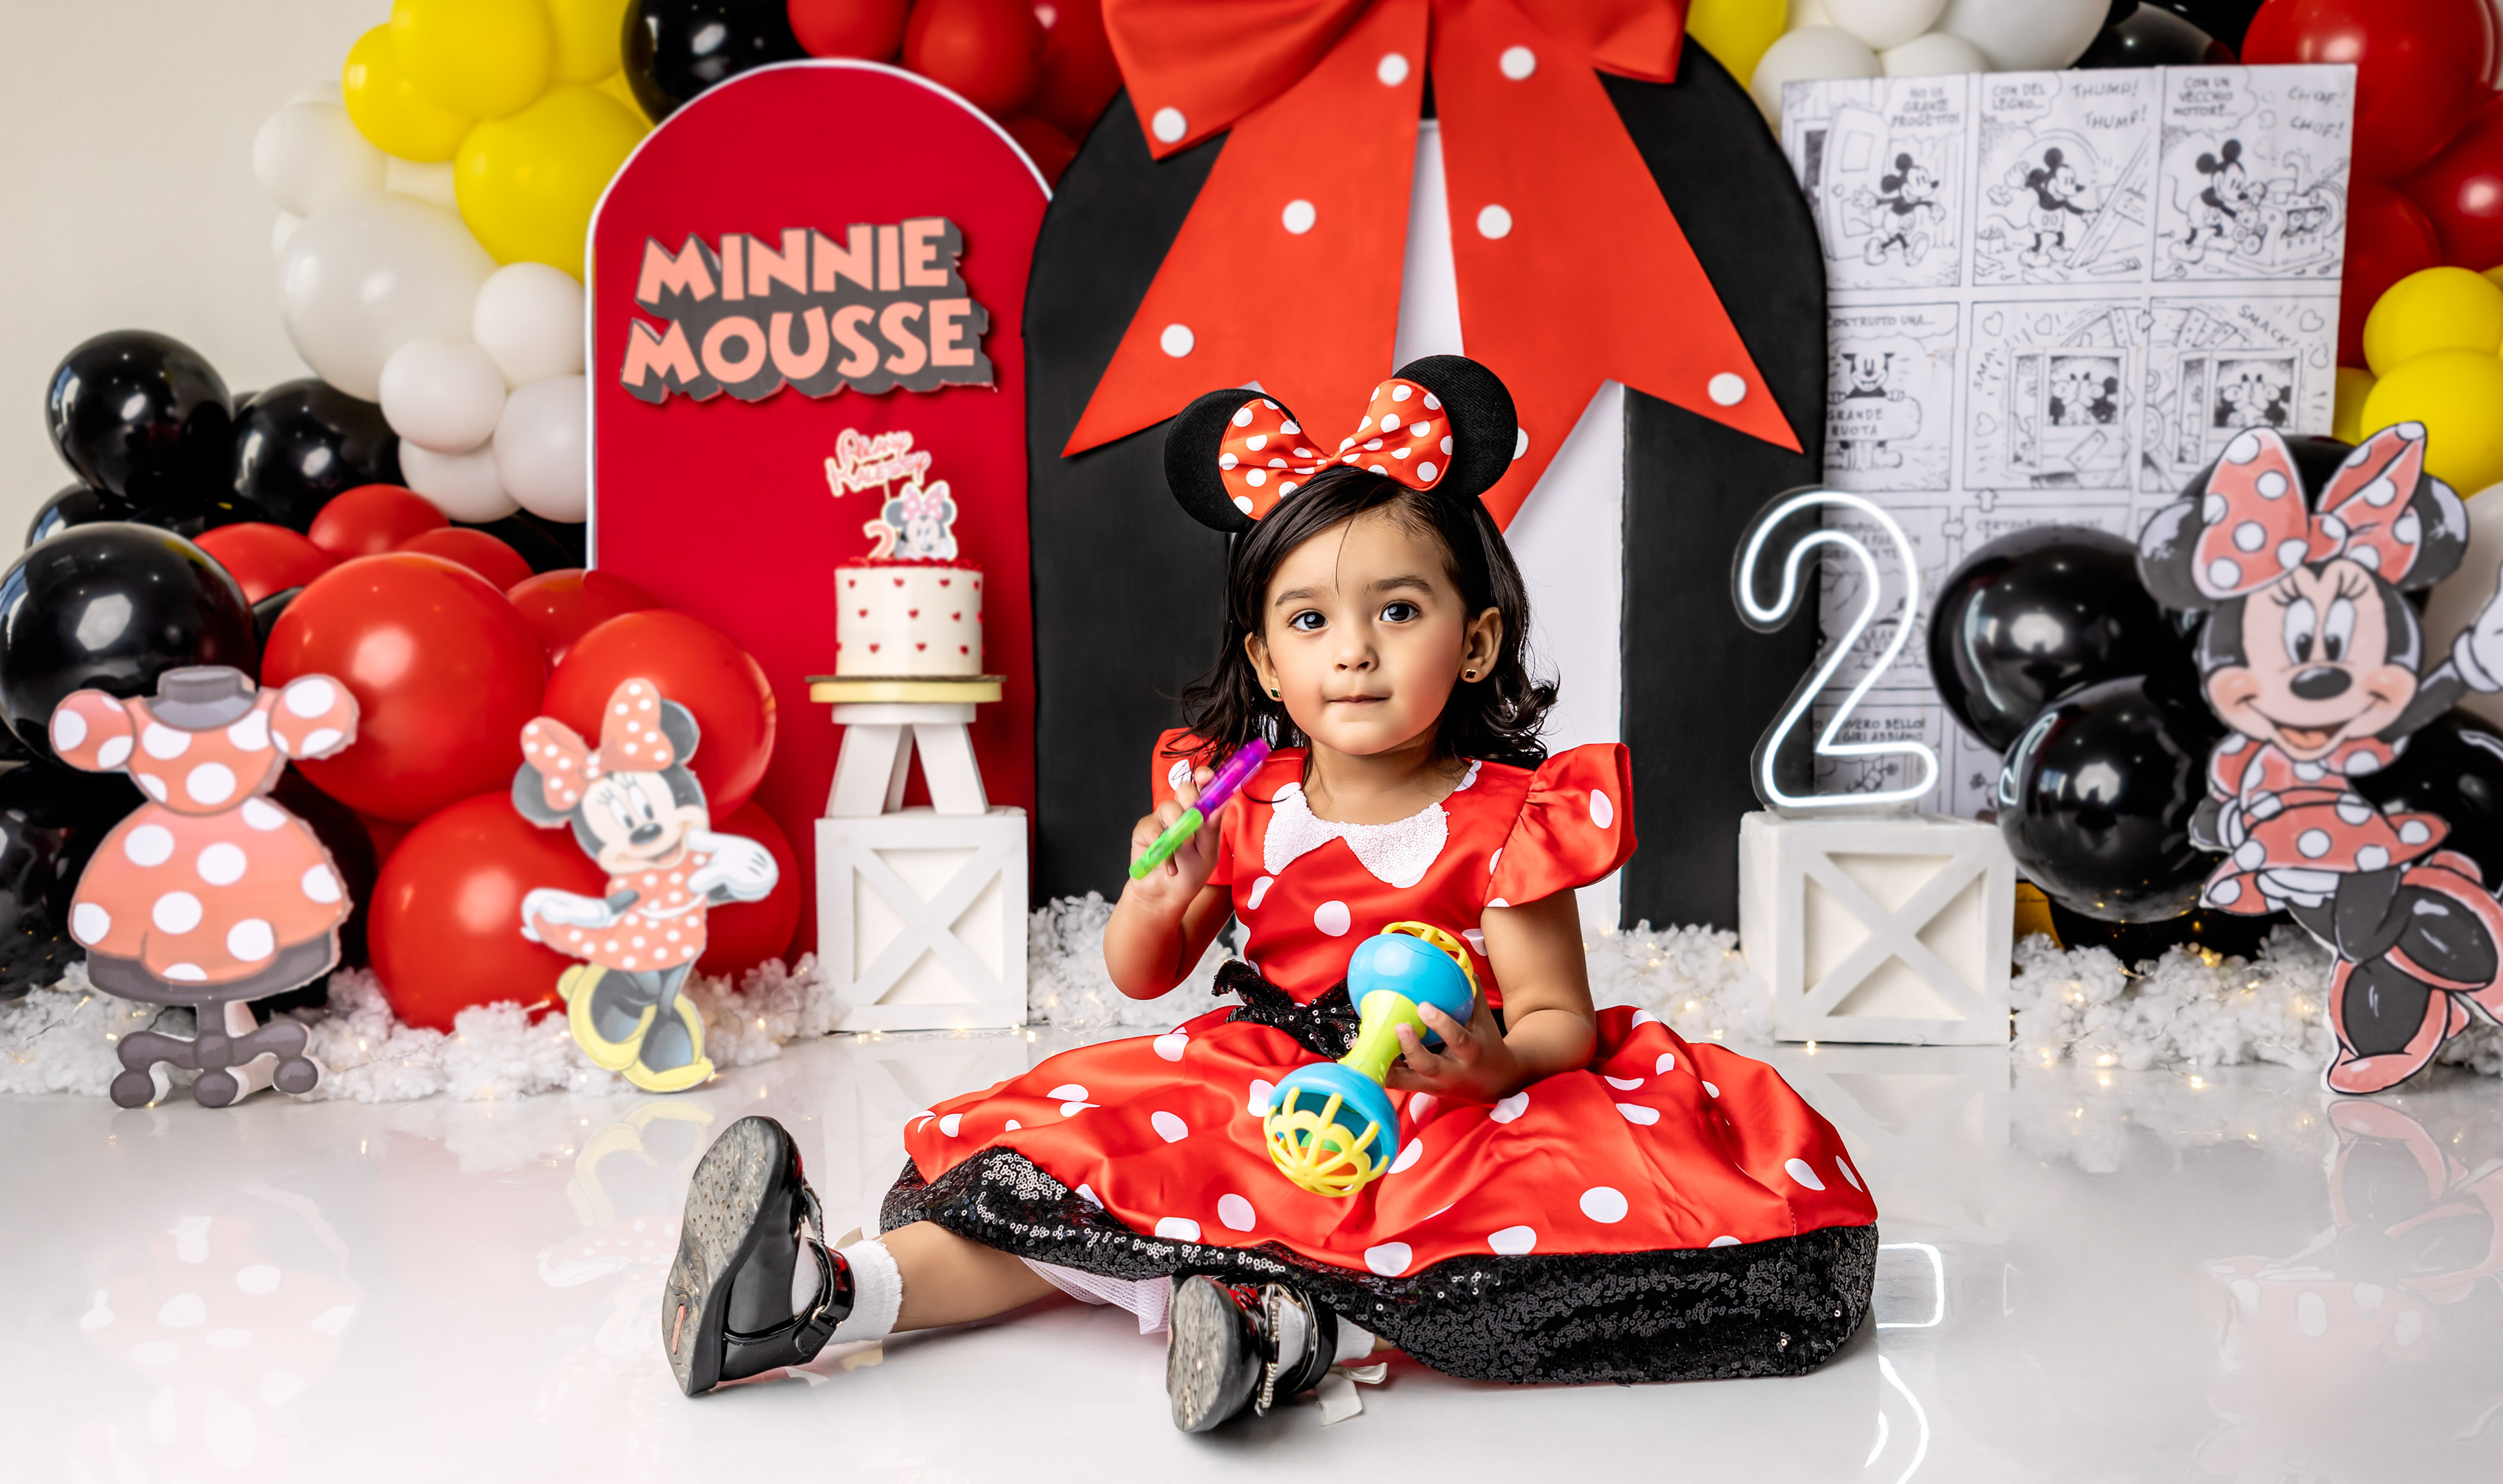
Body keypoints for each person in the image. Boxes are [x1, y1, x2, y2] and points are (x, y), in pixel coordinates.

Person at [658, 357, 1880, 1428]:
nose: (1353, 648)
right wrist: (1161, 894)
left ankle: (1282, 1338)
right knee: (1087, 1183)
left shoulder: (1509, 817)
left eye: (1397, 610)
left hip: (1439, 1084)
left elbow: (1559, 1017)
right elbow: (1142, 974)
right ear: (1266, 660)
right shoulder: (1242, 801)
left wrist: (1488, 1067)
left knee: (1439, 1225)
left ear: (1475, 642)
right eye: (1309, 619)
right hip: (1263, 1066)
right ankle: (821, 1295)